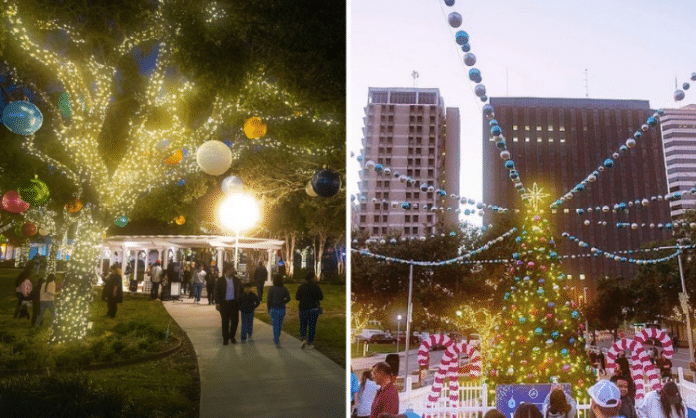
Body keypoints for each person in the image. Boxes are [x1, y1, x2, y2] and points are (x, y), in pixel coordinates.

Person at [214, 264, 242, 345]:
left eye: (233, 269)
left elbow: (241, 291)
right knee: (225, 321)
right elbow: (216, 292)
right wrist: (217, 302)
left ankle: (232, 336)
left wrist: (240, 300)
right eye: (231, 269)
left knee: (235, 321)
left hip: (234, 303)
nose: (233, 271)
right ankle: (225, 338)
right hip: (224, 303)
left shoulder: (236, 280)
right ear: (227, 270)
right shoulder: (220, 280)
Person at [296, 271, 323, 349]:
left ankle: (303, 338)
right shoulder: (316, 286)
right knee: (312, 326)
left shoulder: (301, 286)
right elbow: (321, 297)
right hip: (314, 308)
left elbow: (297, 297)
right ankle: (310, 343)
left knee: (303, 324)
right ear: (313, 278)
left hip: (303, 308)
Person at [266, 274, 290, 347]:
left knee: (275, 325)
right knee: (279, 324)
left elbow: (269, 299)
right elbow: (288, 298)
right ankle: (277, 337)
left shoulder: (272, 289)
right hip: (282, 308)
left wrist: (268, 308)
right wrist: (283, 301)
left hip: (273, 308)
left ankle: (276, 340)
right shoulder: (284, 288)